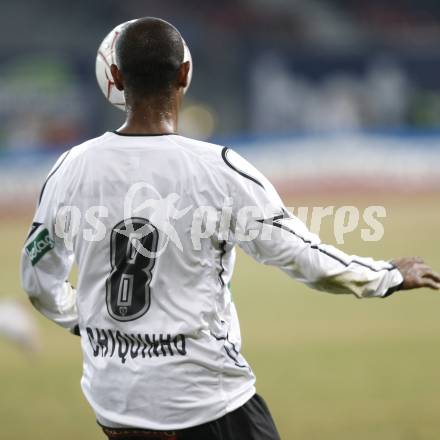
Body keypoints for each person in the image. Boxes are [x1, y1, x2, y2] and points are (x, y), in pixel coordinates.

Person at [20, 17, 440, 440]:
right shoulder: (219, 171)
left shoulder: (70, 169)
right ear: (184, 74)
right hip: (206, 404)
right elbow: (302, 256)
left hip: (115, 409)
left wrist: (87, 321)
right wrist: (385, 276)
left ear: (114, 77)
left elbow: (37, 280)